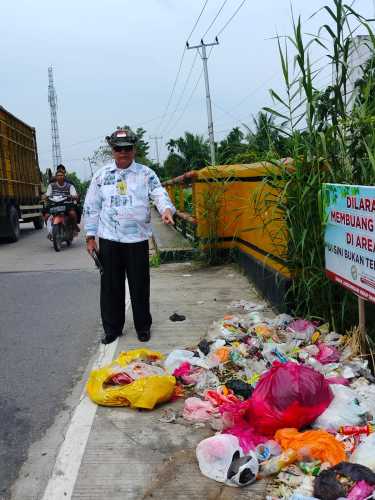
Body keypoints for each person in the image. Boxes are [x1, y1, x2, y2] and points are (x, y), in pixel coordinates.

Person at [83, 128, 175, 344]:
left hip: (137, 240)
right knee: (111, 287)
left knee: (139, 285)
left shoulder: (146, 173)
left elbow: (159, 193)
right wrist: (90, 236)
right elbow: (92, 206)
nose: (123, 152)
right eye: (118, 148)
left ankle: (143, 327)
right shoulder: (102, 175)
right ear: (112, 150)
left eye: (127, 148)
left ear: (134, 149)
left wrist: (166, 210)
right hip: (109, 239)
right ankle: (112, 329)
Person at [45, 167, 80, 234]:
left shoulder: (70, 186)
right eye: (58, 175)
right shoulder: (51, 185)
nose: (60, 177)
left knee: (72, 213)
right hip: (54, 204)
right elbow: (47, 194)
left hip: (67, 204)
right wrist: (44, 197)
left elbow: (75, 195)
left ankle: (75, 226)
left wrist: (73, 196)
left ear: (64, 176)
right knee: (46, 216)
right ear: (55, 177)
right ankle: (50, 231)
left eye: (61, 175)